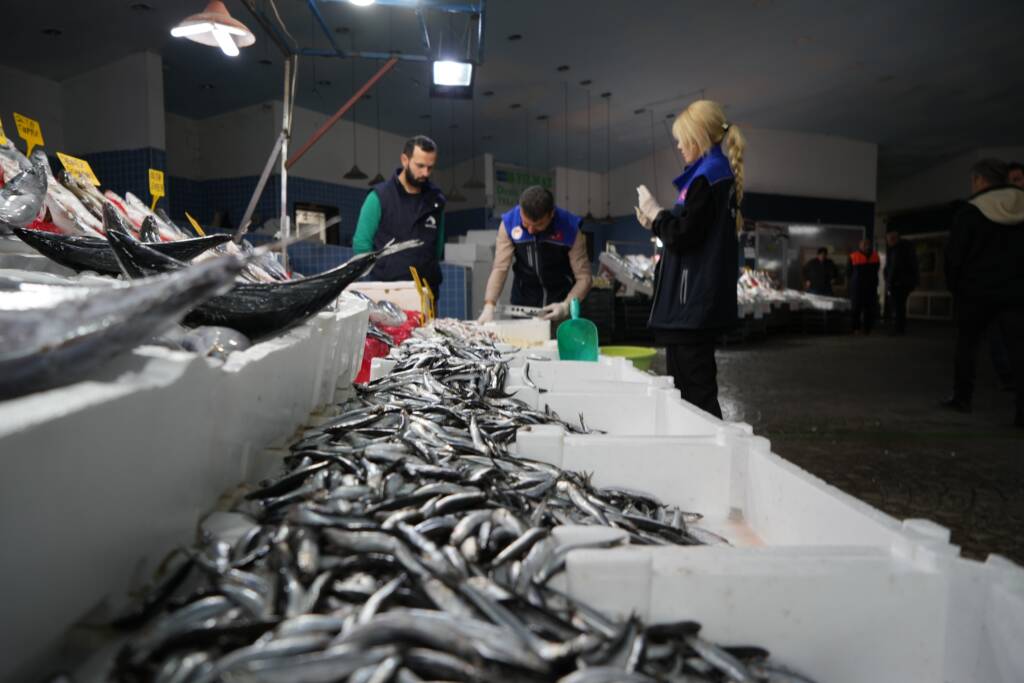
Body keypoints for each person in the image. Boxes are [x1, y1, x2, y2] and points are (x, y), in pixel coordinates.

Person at [634, 99, 744, 419]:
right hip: (689, 308)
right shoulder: (709, 175)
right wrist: (656, 221)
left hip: (691, 307)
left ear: (697, 137)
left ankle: (712, 459)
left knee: (696, 395)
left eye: (682, 139)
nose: (679, 146)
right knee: (686, 392)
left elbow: (684, 237)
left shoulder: (708, 177)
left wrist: (657, 215)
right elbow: (691, 229)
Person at [942, 158, 1024, 427]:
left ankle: (963, 399)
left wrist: (956, 287)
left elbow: (955, 257)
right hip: (1016, 293)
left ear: (979, 180)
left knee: (967, 346)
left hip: (976, 293)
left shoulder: (970, 211)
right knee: (1019, 350)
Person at [476, 186, 592, 323]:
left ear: (551, 214)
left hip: (559, 301)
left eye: (538, 225)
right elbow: (500, 268)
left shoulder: (570, 228)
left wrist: (566, 306)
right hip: (523, 301)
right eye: (525, 223)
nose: (530, 230)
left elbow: (584, 277)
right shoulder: (509, 224)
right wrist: (489, 305)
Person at [353, 135, 446, 302]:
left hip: (426, 293)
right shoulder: (379, 197)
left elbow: (437, 248)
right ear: (405, 160)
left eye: (430, 168)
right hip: (388, 293)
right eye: (420, 166)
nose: (425, 173)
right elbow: (361, 245)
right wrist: (377, 281)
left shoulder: (436, 201)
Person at [883, 230, 919, 335]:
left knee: (898, 306)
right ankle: (900, 328)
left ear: (894, 239)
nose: (887, 242)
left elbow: (894, 267)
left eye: (888, 239)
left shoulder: (898, 250)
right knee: (900, 306)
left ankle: (898, 329)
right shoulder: (906, 248)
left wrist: (889, 282)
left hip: (899, 283)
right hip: (905, 282)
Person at [848, 239, 880, 334]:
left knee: (869, 308)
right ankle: (855, 328)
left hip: (871, 287)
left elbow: (877, 270)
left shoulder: (875, 255)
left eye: (868, 244)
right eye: (864, 244)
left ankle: (867, 329)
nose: (866, 246)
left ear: (870, 245)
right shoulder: (853, 256)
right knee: (856, 308)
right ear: (860, 246)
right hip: (857, 287)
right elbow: (848, 272)